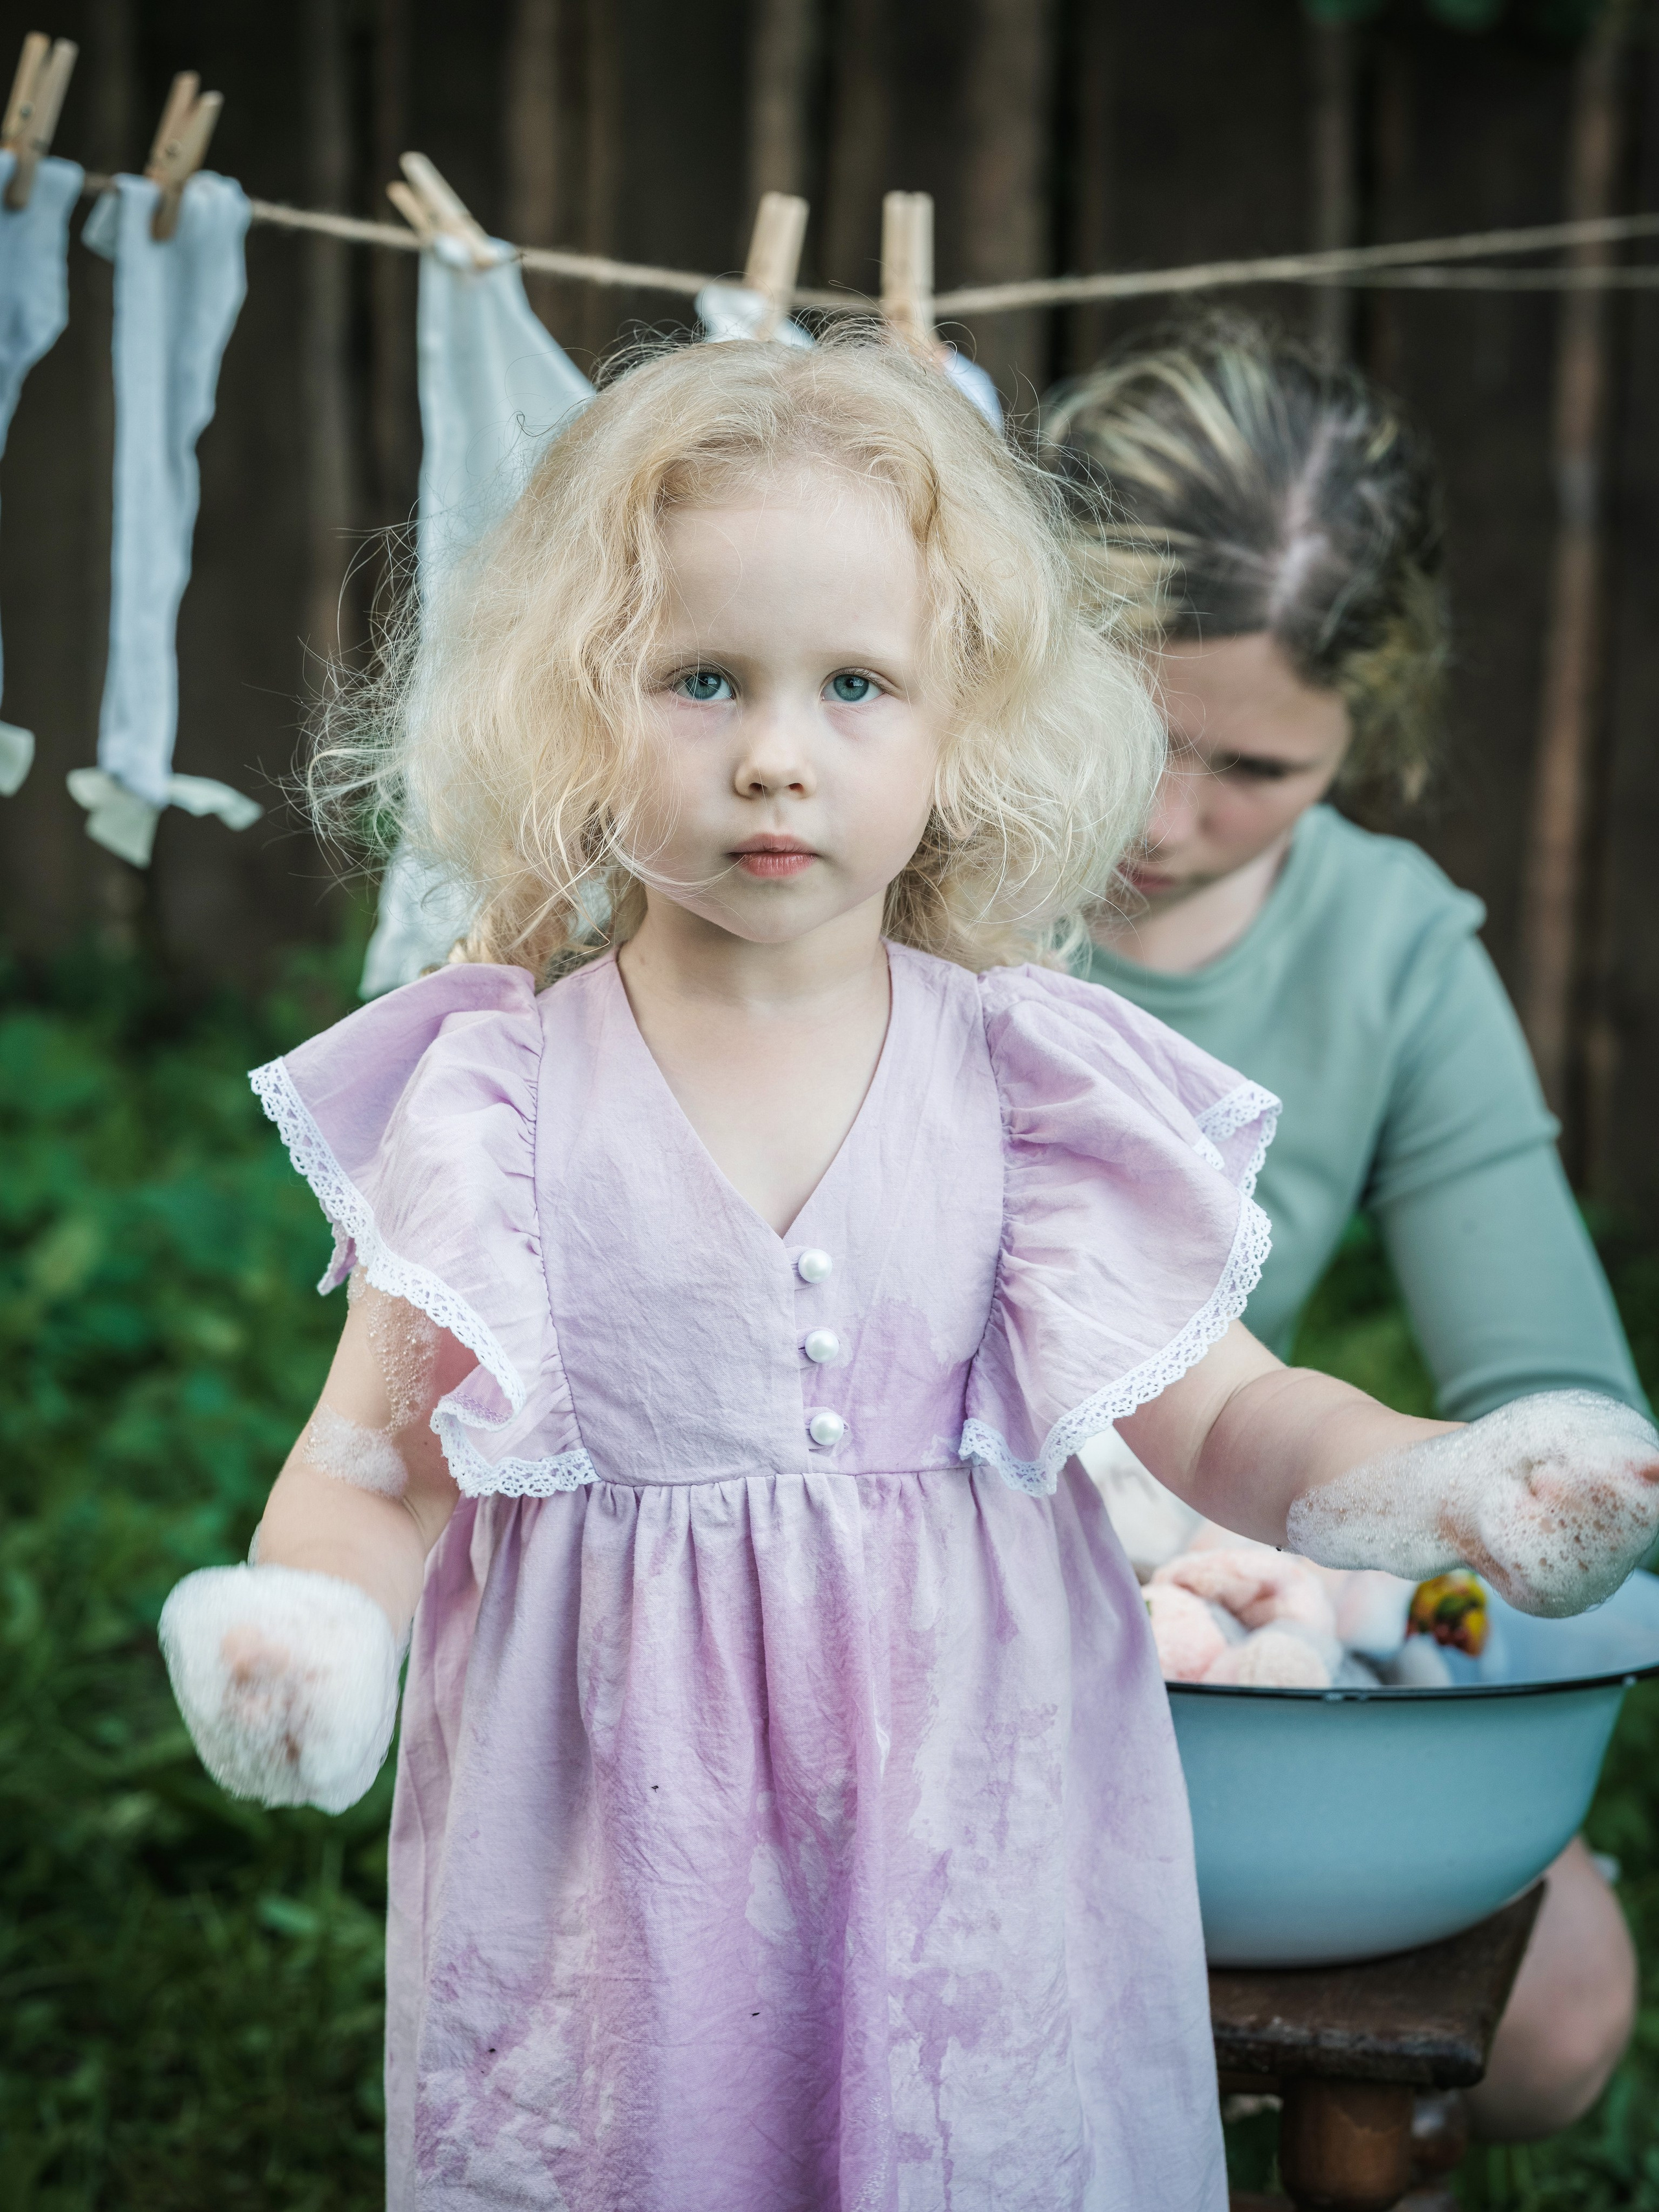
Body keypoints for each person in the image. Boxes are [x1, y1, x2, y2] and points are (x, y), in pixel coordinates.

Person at [154, 334, 1659, 2211]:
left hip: (973, 1838)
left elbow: (1231, 1421)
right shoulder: (499, 1099)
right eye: (701, 679)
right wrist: (318, 1620)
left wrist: (1438, 1483)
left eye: (855, 684)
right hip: (623, 1859)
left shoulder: (1027, 1079)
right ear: (573, 708)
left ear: (969, 726)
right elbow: (378, 1464)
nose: (775, 753)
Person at [1045, 318, 1648, 2143]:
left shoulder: (1387, 953)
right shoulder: (875, 887)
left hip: (1210, 1574)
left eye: (1256, 769)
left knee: (1558, 2016)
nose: (1165, 820)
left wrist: (1512, 1513)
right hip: (890, 1590)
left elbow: (1556, 1395)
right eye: (1132, 731)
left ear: (1360, 735)